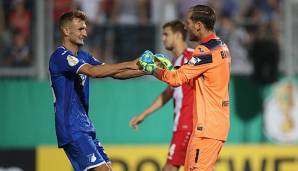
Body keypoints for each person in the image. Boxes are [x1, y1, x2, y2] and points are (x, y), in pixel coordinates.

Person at [49, 11, 145, 171]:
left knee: (107, 168)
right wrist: (131, 63)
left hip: (84, 126)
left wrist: (147, 70)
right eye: (80, 29)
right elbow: (94, 72)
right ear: (66, 31)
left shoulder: (84, 56)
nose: (85, 33)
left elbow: (115, 73)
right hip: (71, 127)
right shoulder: (60, 56)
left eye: (85, 29)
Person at [139, 5, 231, 171]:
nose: (185, 26)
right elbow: (199, 80)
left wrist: (151, 68)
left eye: (188, 22)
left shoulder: (204, 51)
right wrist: (171, 69)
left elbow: (175, 80)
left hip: (206, 129)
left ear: (198, 25)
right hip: (214, 126)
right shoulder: (222, 46)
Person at [129, 20, 194, 171]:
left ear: (178, 35)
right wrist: (144, 114)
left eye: (166, 34)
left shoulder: (191, 57)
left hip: (188, 125)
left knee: (170, 167)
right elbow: (168, 92)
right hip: (183, 125)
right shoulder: (175, 61)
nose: (163, 38)